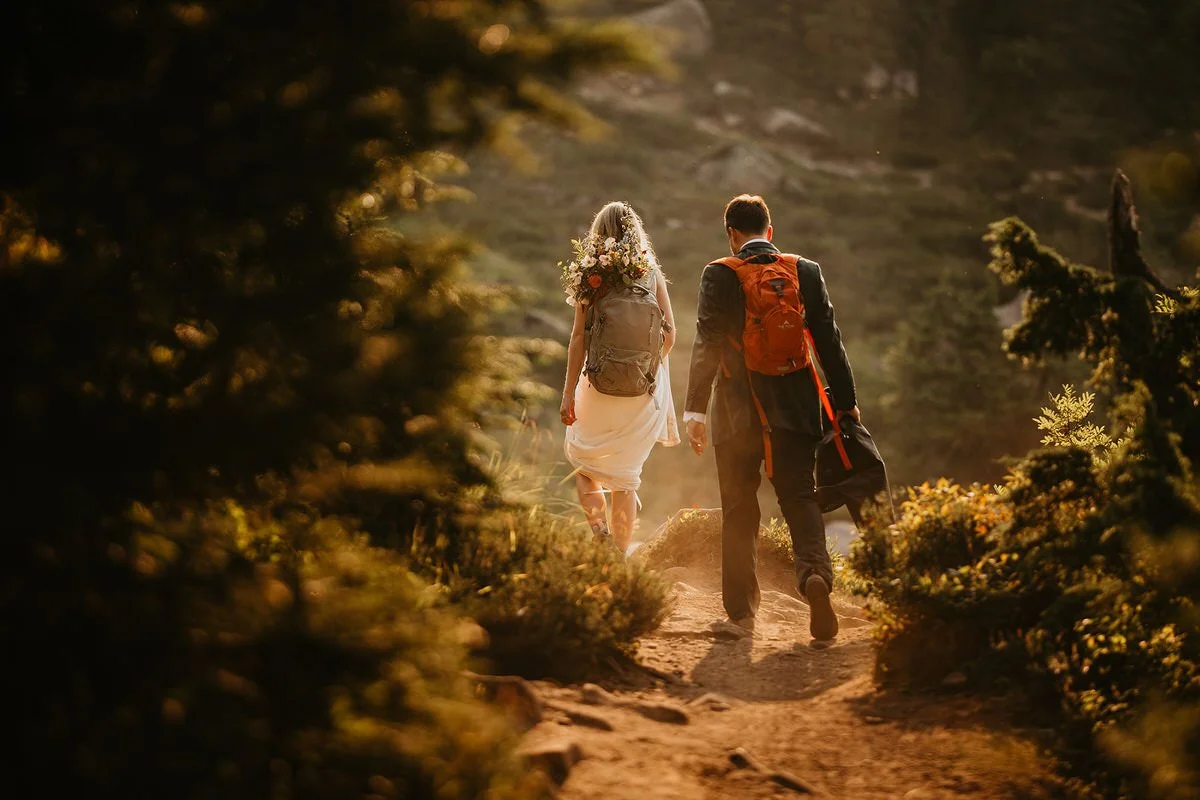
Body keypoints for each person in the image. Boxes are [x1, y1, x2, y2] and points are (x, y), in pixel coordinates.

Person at [683, 194, 858, 643]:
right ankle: (815, 576)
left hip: (737, 409)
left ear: (732, 234)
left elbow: (706, 341)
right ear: (770, 231)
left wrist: (695, 409)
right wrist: (845, 402)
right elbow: (828, 340)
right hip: (797, 405)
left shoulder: (719, 273)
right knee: (799, 496)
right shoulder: (805, 271)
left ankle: (741, 613)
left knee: (739, 507)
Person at [561, 202, 680, 555]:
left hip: (597, 388)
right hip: (642, 393)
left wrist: (568, 394)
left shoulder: (591, 275)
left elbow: (579, 340)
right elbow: (670, 333)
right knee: (625, 481)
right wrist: (646, 368)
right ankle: (620, 561)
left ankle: (600, 531)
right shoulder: (651, 274)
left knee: (583, 466)